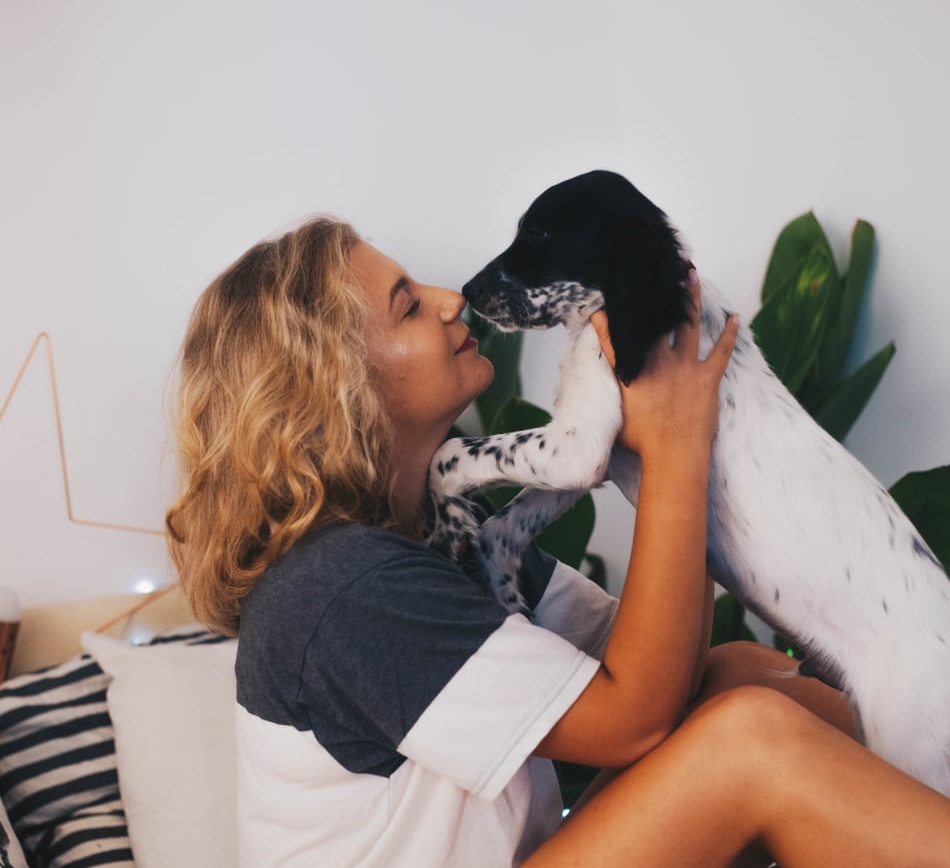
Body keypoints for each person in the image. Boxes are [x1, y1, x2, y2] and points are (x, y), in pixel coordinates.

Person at [166, 215, 950, 868]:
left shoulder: (437, 539)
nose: (449, 300)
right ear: (332, 386)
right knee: (751, 742)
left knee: (740, 675)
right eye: (408, 306)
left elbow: (656, 666)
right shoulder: (339, 588)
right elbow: (635, 716)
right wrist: (679, 442)